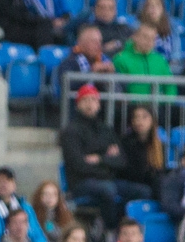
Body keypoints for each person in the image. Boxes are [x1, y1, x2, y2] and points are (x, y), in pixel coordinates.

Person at [60, 82, 152, 224]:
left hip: (108, 180)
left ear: (99, 104)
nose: (90, 104)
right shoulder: (70, 131)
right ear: (78, 105)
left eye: (93, 100)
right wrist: (108, 162)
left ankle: (123, 225)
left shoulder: (106, 129)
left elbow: (121, 161)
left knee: (143, 191)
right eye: (85, 100)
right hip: (81, 182)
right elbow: (78, 165)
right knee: (108, 189)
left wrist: (99, 159)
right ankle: (109, 228)